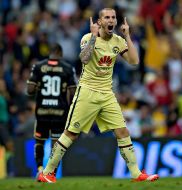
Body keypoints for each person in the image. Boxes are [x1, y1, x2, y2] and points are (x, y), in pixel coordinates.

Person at [37, 8, 159, 182]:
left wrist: (127, 36)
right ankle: (47, 172)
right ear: (100, 21)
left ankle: (136, 173)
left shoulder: (118, 41)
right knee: (71, 133)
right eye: (107, 17)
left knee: (122, 131)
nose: (111, 20)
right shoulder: (87, 38)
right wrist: (94, 37)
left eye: (113, 18)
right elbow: (84, 59)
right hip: (87, 91)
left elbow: (134, 61)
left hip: (107, 93)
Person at [27, 43, 77, 175]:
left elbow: (30, 90)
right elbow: (73, 93)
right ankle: (51, 173)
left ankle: (39, 169)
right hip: (59, 113)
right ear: (60, 53)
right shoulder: (67, 68)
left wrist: (40, 86)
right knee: (57, 144)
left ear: (49, 52)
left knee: (40, 141)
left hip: (42, 111)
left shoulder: (38, 67)